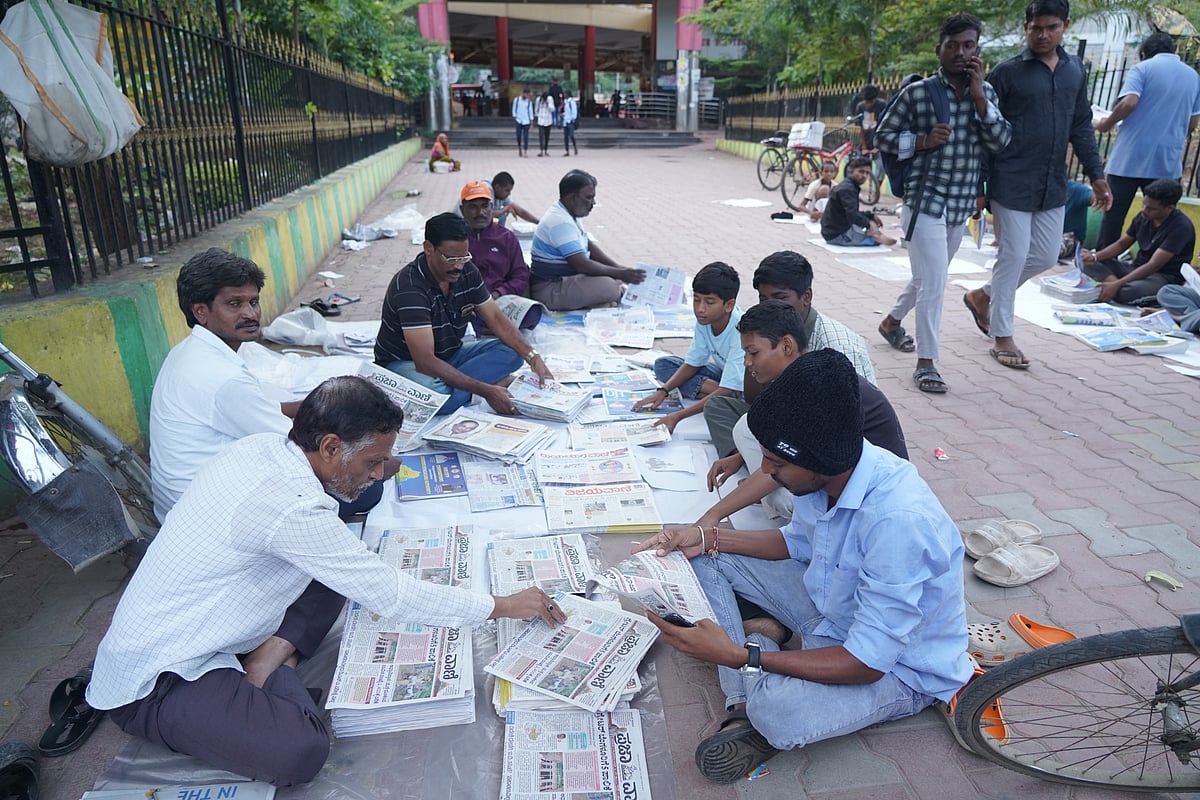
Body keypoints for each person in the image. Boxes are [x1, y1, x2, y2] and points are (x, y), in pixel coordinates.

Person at [88, 376, 568, 787]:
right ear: (331, 446)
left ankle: (270, 651)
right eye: (372, 463)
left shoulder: (263, 446)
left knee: (343, 564)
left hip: (211, 620)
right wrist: (502, 605)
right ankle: (273, 667)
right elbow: (391, 595)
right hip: (161, 678)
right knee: (299, 751)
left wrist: (378, 459)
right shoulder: (294, 508)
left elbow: (354, 527)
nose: (379, 474)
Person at [636, 349, 970, 784]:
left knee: (778, 712)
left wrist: (740, 654)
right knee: (700, 558)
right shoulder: (831, 467)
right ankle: (744, 698)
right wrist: (703, 536)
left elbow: (867, 663)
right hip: (831, 608)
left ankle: (754, 670)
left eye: (776, 463)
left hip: (898, 667)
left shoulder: (899, 521)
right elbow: (793, 543)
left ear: (819, 461)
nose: (766, 474)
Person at [962, 0, 1111, 370]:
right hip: (1011, 177)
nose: (1043, 35)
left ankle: (983, 296)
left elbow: (1081, 126)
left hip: (1052, 182)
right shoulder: (1007, 73)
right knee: (1012, 256)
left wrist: (1097, 175)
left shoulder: (1075, 71)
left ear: (1065, 26)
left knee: (1045, 255)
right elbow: (985, 128)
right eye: (1036, 28)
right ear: (1025, 27)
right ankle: (1003, 336)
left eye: (1052, 27)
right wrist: (981, 186)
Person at [875, 13, 1012, 394]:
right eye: (952, 45)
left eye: (968, 45)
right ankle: (926, 362)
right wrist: (921, 141)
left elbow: (1001, 142)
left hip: (961, 204)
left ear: (977, 51)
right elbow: (882, 136)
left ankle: (891, 322)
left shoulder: (985, 94)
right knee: (935, 281)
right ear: (939, 49)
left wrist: (982, 97)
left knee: (926, 277)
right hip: (924, 202)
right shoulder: (919, 93)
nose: (960, 52)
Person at [703, 300, 907, 525]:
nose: (747, 362)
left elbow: (790, 461)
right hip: (837, 467)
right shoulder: (802, 375)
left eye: (753, 353)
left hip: (866, 489)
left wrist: (713, 515)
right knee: (746, 426)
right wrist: (739, 458)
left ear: (787, 346)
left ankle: (805, 523)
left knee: (784, 496)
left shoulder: (814, 387)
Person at [703, 250, 876, 462]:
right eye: (762, 299)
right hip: (792, 417)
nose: (768, 306)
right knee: (721, 407)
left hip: (833, 439)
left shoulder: (836, 345)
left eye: (780, 298)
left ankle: (758, 465)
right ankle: (747, 460)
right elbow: (753, 400)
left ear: (806, 297)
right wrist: (754, 358)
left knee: (761, 437)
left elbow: (845, 425)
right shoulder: (766, 330)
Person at [375, 213, 553, 416]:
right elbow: (424, 361)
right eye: (451, 258)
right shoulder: (409, 287)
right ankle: (482, 385)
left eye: (464, 257)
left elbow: (495, 318)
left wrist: (533, 356)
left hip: (452, 354)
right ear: (428, 248)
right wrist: (486, 391)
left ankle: (460, 385)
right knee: (435, 396)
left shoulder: (467, 270)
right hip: (406, 363)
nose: (458, 265)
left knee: (513, 351)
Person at [1093, 32, 1200, 250]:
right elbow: (1192, 123)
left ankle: (1103, 265)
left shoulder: (1142, 68)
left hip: (1129, 157)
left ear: (1144, 54)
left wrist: (1107, 122)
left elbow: (1130, 102)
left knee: (1113, 215)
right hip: (1166, 162)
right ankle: (1150, 266)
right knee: (1160, 217)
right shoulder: (1193, 77)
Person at [631, 262, 744, 432]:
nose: (700, 309)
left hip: (743, 382)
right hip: (724, 375)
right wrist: (663, 391)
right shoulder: (705, 320)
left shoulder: (740, 329)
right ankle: (718, 392)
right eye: (696, 300)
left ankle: (725, 394)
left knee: (724, 394)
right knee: (663, 364)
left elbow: (731, 381)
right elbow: (693, 362)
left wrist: (677, 416)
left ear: (728, 305)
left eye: (709, 302)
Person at [529, 170, 645, 310]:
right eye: (589, 197)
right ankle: (596, 302)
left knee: (612, 281)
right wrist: (619, 273)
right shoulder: (560, 222)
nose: (593, 203)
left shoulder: (568, 213)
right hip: (549, 290)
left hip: (564, 281)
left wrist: (619, 268)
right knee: (611, 287)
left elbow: (588, 246)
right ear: (573, 197)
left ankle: (597, 302)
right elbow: (582, 265)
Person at [1080, 178, 1195, 304]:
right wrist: (1094, 257)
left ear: (1169, 208)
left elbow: (1154, 265)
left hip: (1162, 276)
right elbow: (1121, 244)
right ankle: (1113, 286)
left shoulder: (1181, 227)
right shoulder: (1143, 217)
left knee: (1127, 293)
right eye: (1144, 204)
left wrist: (1118, 284)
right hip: (1136, 268)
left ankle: (1115, 287)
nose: (1144, 210)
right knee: (1085, 259)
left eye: (1151, 208)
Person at [459, 180, 531, 301]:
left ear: (492, 208)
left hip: (500, 301)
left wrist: (499, 293)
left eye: (485, 206)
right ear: (462, 210)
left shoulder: (506, 238)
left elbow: (520, 277)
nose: (480, 213)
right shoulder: (455, 238)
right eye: (473, 207)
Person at [820, 156, 897, 246]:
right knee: (875, 237)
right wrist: (869, 225)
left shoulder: (850, 185)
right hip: (836, 235)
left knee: (870, 221)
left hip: (833, 230)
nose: (864, 175)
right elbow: (852, 215)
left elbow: (852, 211)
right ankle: (877, 237)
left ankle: (876, 235)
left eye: (867, 173)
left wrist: (871, 216)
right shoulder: (848, 189)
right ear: (851, 172)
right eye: (860, 172)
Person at [854, 84, 886, 152]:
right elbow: (861, 128)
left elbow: (885, 128)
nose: (869, 104)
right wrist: (864, 146)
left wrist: (879, 146)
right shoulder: (860, 107)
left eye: (871, 102)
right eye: (866, 102)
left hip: (880, 145)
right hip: (866, 144)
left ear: (875, 99)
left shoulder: (882, 105)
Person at [512, 88, 533, 157]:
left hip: (526, 121)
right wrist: (515, 116)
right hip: (519, 120)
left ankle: (525, 151)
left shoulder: (529, 102)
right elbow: (514, 109)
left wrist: (531, 122)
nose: (527, 96)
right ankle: (519, 147)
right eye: (526, 94)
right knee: (518, 136)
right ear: (523, 93)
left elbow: (530, 112)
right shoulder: (517, 100)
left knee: (526, 137)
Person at [535, 91, 554, 157]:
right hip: (541, 120)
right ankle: (541, 151)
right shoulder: (538, 99)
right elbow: (536, 109)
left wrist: (547, 103)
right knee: (541, 136)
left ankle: (546, 150)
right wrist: (537, 116)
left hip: (548, 120)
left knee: (547, 136)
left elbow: (552, 109)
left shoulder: (550, 99)